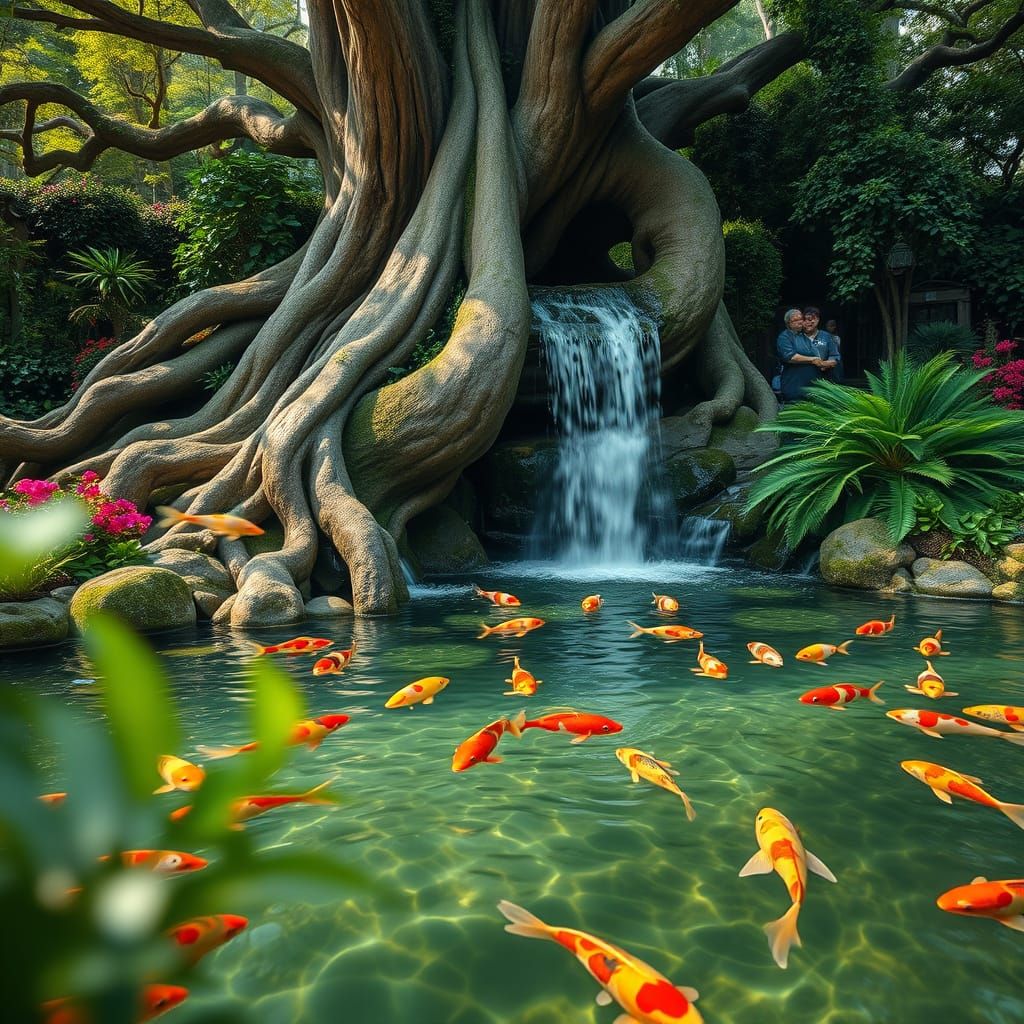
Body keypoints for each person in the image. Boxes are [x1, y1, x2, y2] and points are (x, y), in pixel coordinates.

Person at [775, 307, 839, 402]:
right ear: (788, 323)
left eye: (801, 319)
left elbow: (833, 356)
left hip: (816, 387)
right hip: (794, 387)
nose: (800, 322)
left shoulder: (804, 336)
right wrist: (813, 360)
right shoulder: (785, 336)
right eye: (795, 320)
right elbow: (790, 357)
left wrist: (826, 363)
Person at [825, 318, 844, 382]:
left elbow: (838, 350)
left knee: (836, 377)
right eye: (828, 326)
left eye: (832, 326)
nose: (830, 328)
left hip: (836, 360)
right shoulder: (823, 337)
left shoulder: (837, 338)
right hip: (826, 360)